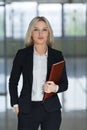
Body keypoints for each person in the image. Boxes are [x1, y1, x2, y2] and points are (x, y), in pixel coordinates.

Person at [9, 16, 68, 130]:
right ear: (31, 33)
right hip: (27, 109)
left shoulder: (57, 55)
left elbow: (64, 84)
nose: (40, 33)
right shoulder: (22, 55)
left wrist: (55, 88)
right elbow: (13, 82)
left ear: (48, 34)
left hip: (51, 110)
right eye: (36, 29)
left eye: (44, 29)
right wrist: (15, 105)